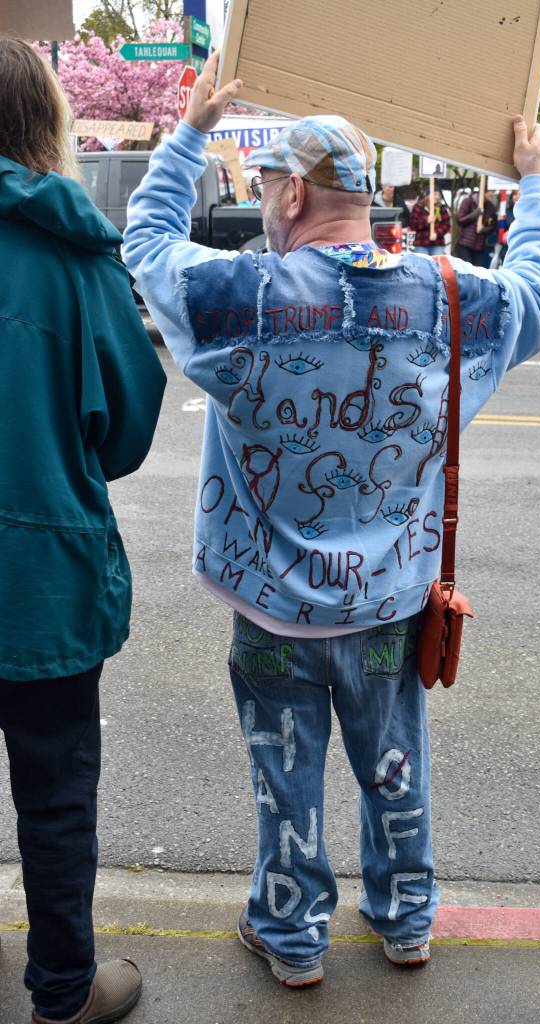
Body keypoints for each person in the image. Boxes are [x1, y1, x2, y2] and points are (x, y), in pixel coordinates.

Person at [123, 50, 540, 990]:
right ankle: (405, 919)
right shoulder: (449, 296)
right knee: (394, 763)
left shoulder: (238, 296)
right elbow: (534, 293)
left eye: (269, 181)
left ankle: (291, 941)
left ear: (287, 200)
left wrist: (192, 129)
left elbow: (146, 243)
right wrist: (532, 184)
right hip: (390, 604)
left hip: (270, 609)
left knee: (286, 780)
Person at [0, 37, 166, 1024]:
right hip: (44, 581)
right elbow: (129, 429)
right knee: (55, 795)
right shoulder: (75, 258)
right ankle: (63, 989)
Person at [455, 187, 498, 266]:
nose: (493, 194)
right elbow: (460, 220)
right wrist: (474, 214)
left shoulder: (491, 207)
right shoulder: (468, 201)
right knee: (466, 271)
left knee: (478, 273)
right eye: (491, 191)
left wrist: (483, 229)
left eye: (493, 191)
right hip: (464, 245)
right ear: (484, 192)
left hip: (479, 247)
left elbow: (493, 226)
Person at [409, 189, 451, 254]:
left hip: (437, 244)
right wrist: (426, 221)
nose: (437, 197)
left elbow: (446, 225)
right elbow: (413, 225)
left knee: (437, 263)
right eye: (435, 194)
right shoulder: (418, 207)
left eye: (439, 195)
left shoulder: (442, 208)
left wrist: (437, 233)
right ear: (428, 196)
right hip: (421, 243)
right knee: (422, 263)